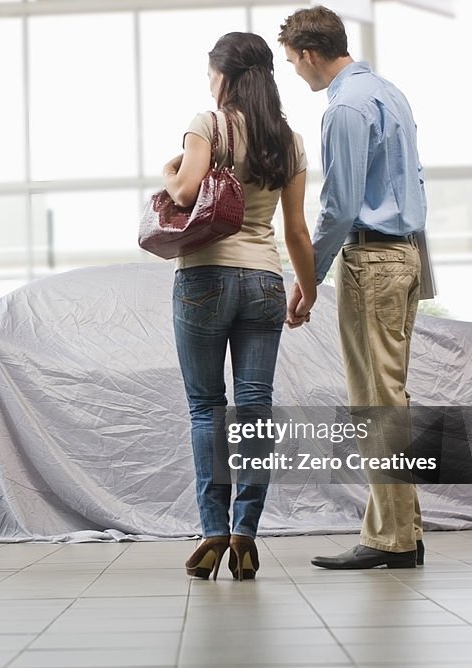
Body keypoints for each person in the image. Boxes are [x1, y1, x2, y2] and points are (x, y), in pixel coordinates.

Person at [162, 31, 316, 580]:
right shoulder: (289, 140)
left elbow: (183, 194)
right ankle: (247, 536)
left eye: (210, 72)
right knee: (254, 409)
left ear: (224, 75)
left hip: (204, 277)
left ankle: (213, 531)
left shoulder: (207, 124)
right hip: (265, 280)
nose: (209, 82)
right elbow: (295, 229)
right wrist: (309, 289)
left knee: (207, 407)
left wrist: (170, 170)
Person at [278, 6, 427, 569]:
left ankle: (392, 540)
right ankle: (402, 532)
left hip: (372, 260)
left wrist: (309, 277)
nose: (296, 72)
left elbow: (339, 206)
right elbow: (412, 183)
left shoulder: (344, 107)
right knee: (391, 397)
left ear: (312, 54)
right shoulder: (391, 93)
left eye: (294, 63)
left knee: (377, 402)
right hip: (404, 257)